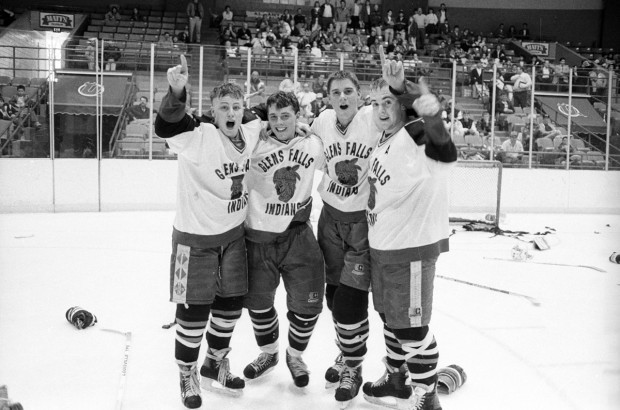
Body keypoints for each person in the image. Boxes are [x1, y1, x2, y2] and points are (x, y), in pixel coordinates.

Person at [154, 55, 263, 409]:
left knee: (230, 307)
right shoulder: (197, 136)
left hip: (233, 238)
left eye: (235, 106)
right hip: (193, 243)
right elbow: (166, 127)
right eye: (222, 108)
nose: (230, 113)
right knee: (192, 313)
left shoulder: (250, 130)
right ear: (212, 112)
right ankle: (187, 373)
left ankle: (214, 364)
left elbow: (271, 124)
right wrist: (177, 90)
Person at [362, 51, 457, 410]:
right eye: (376, 103)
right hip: (383, 250)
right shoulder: (382, 142)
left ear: (402, 107)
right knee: (390, 319)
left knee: (411, 329)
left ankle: (427, 396)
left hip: (411, 251)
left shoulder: (412, 134)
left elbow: (443, 150)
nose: (382, 109)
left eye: (388, 102)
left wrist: (426, 111)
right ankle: (397, 378)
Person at [241, 91, 326, 388]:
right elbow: (235, 121)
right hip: (258, 235)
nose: (279, 122)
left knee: (308, 304)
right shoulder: (255, 141)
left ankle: (295, 355)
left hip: (297, 234)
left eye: (285, 116)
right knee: (258, 302)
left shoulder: (312, 143)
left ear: (297, 116)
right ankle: (270, 353)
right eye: (273, 116)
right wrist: (258, 120)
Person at [310, 70, 381, 407]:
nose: (342, 97)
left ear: (359, 94)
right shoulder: (323, 121)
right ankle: (345, 353)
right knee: (333, 296)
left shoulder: (371, 118)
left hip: (362, 224)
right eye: (336, 92)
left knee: (351, 301)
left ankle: (354, 367)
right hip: (329, 220)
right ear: (328, 97)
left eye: (348, 91)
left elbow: (402, 122)